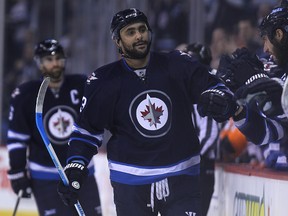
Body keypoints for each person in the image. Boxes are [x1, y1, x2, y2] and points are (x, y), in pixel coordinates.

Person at [57, 8, 238, 216]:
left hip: (182, 178)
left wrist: (220, 97)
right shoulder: (104, 80)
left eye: (142, 29)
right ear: (117, 41)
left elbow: (214, 86)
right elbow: (86, 132)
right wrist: (76, 166)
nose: (139, 35)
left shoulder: (177, 64)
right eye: (130, 32)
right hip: (131, 184)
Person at [6, 39, 102, 215]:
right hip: (44, 177)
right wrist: (18, 172)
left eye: (58, 58)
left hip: (81, 173)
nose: (55, 63)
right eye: (49, 60)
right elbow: (17, 139)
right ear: (39, 62)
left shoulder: (82, 85)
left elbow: (93, 125)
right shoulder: (25, 94)